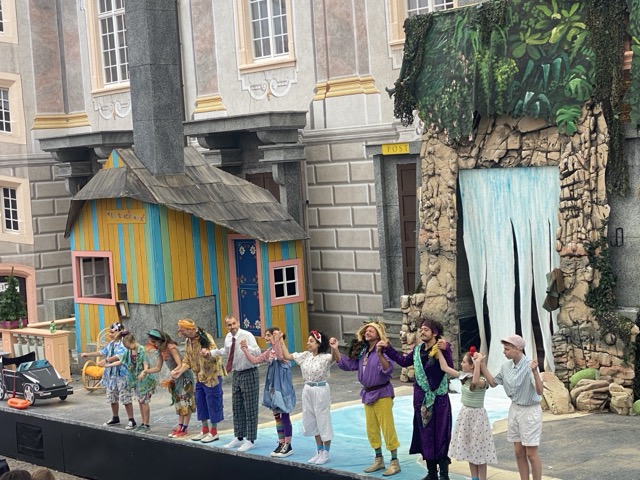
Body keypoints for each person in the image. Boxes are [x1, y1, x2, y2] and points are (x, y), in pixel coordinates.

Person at [379, 317, 453, 480]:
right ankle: (432, 473)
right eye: (421, 329)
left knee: (441, 435)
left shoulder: (441, 347)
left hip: (439, 401)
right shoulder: (418, 350)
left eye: (426, 329)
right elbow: (404, 361)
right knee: (425, 435)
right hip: (421, 401)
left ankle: (444, 475)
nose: (422, 332)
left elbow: (449, 367)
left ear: (435, 333)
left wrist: (446, 350)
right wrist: (388, 348)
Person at [329, 322, 401, 476]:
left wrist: (380, 354)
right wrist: (335, 349)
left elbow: (388, 369)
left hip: (382, 393)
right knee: (372, 428)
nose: (367, 332)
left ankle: (394, 462)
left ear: (378, 335)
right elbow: (348, 364)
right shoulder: (363, 351)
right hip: (368, 394)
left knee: (387, 428)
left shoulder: (384, 350)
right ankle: (378, 459)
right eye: (366, 331)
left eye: (371, 331)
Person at [480, 335, 544, 480]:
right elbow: (493, 383)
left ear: (517, 349)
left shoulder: (530, 365)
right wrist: (482, 365)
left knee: (531, 453)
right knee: (518, 452)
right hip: (515, 409)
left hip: (530, 410)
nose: (504, 352)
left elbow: (540, 391)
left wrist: (535, 372)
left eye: (507, 349)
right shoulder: (506, 367)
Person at [436, 344, 497, 480]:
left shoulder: (483, 381)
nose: (461, 364)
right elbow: (444, 367)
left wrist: (478, 362)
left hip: (478, 417)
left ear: (471, 366)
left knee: (479, 451)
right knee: (470, 449)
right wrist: (438, 350)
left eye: (464, 362)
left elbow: (474, 381)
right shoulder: (463, 376)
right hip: (466, 415)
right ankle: (474, 478)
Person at [279, 330, 335, 465]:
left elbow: (335, 358)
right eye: (308, 341)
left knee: (323, 419)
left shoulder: (325, 357)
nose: (308, 343)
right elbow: (287, 356)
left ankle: (326, 452)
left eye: (311, 341)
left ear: (318, 343)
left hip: (320, 389)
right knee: (312, 419)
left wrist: (334, 348)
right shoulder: (305, 356)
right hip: (308, 389)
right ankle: (319, 450)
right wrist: (281, 340)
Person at [240, 327, 296, 458]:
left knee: (285, 415)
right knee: (277, 416)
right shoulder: (269, 352)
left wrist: (278, 340)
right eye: (266, 335)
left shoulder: (281, 350)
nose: (266, 337)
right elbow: (255, 360)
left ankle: (288, 444)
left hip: (283, 388)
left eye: (269, 335)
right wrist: (245, 350)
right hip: (273, 387)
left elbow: (280, 357)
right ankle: (281, 442)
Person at [210, 315, 261, 452]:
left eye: (234, 323)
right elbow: (226, 351)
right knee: (237, 406)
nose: (232, 327)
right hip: (237, 373)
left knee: (250, 407)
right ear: (226, 326)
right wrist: (211, 353)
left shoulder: (247, 335)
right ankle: (239, 436)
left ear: (238, 323)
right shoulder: (228, 337)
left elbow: (258, 351)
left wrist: (247, 347)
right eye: (229, 325)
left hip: (249, 372)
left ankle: (250, 439)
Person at [171, 319, 226, 443]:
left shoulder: (205, 338)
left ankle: (214, 432)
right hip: (199, 377)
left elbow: (216, 355)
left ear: (190, 329)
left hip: (211, 376)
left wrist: (208, 354)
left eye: (182, 329)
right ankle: (205, 430)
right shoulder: (188, 341)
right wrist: (179, 371)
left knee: (213, 403)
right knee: (200, 403)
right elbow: (187, 360)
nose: (179, 331)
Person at [80, 322, 136, 430]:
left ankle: (131, 419)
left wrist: (106, 361)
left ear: (119, 332)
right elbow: (102, 352)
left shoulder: (124, 343)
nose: (110, 334)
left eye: (112, 332)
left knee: (125, 397)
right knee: (112, 396)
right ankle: (115, 417)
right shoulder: (111, 344)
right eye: (110, 332)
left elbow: (119, 356)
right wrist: (88, 354)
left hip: (122, 375)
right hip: (111, 375)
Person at [143, 329, 196, 438]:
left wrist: (174, 372)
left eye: (154, 342)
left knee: (185, 402)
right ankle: (180, 426)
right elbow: (158, 368)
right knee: (178, 403)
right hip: (175, 378)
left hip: (184, 376)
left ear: (160, 340)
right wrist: (145, 371)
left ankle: (184, 428)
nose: (153, 344)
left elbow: (180, 364)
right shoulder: (160, 350)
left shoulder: (171, 348)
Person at [108, 332, 157, 433]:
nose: (128, 348)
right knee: (140, 401)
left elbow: (146, 363)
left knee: (144, 401)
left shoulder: (141, 350)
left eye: (129, 346)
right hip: (136, 379)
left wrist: (143, 372)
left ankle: (147, 424)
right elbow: (122, 361)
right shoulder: (129, 352)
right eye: (127, 347)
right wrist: (108, 365)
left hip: (145, 379)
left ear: (133, 341)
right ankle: (143, 423)